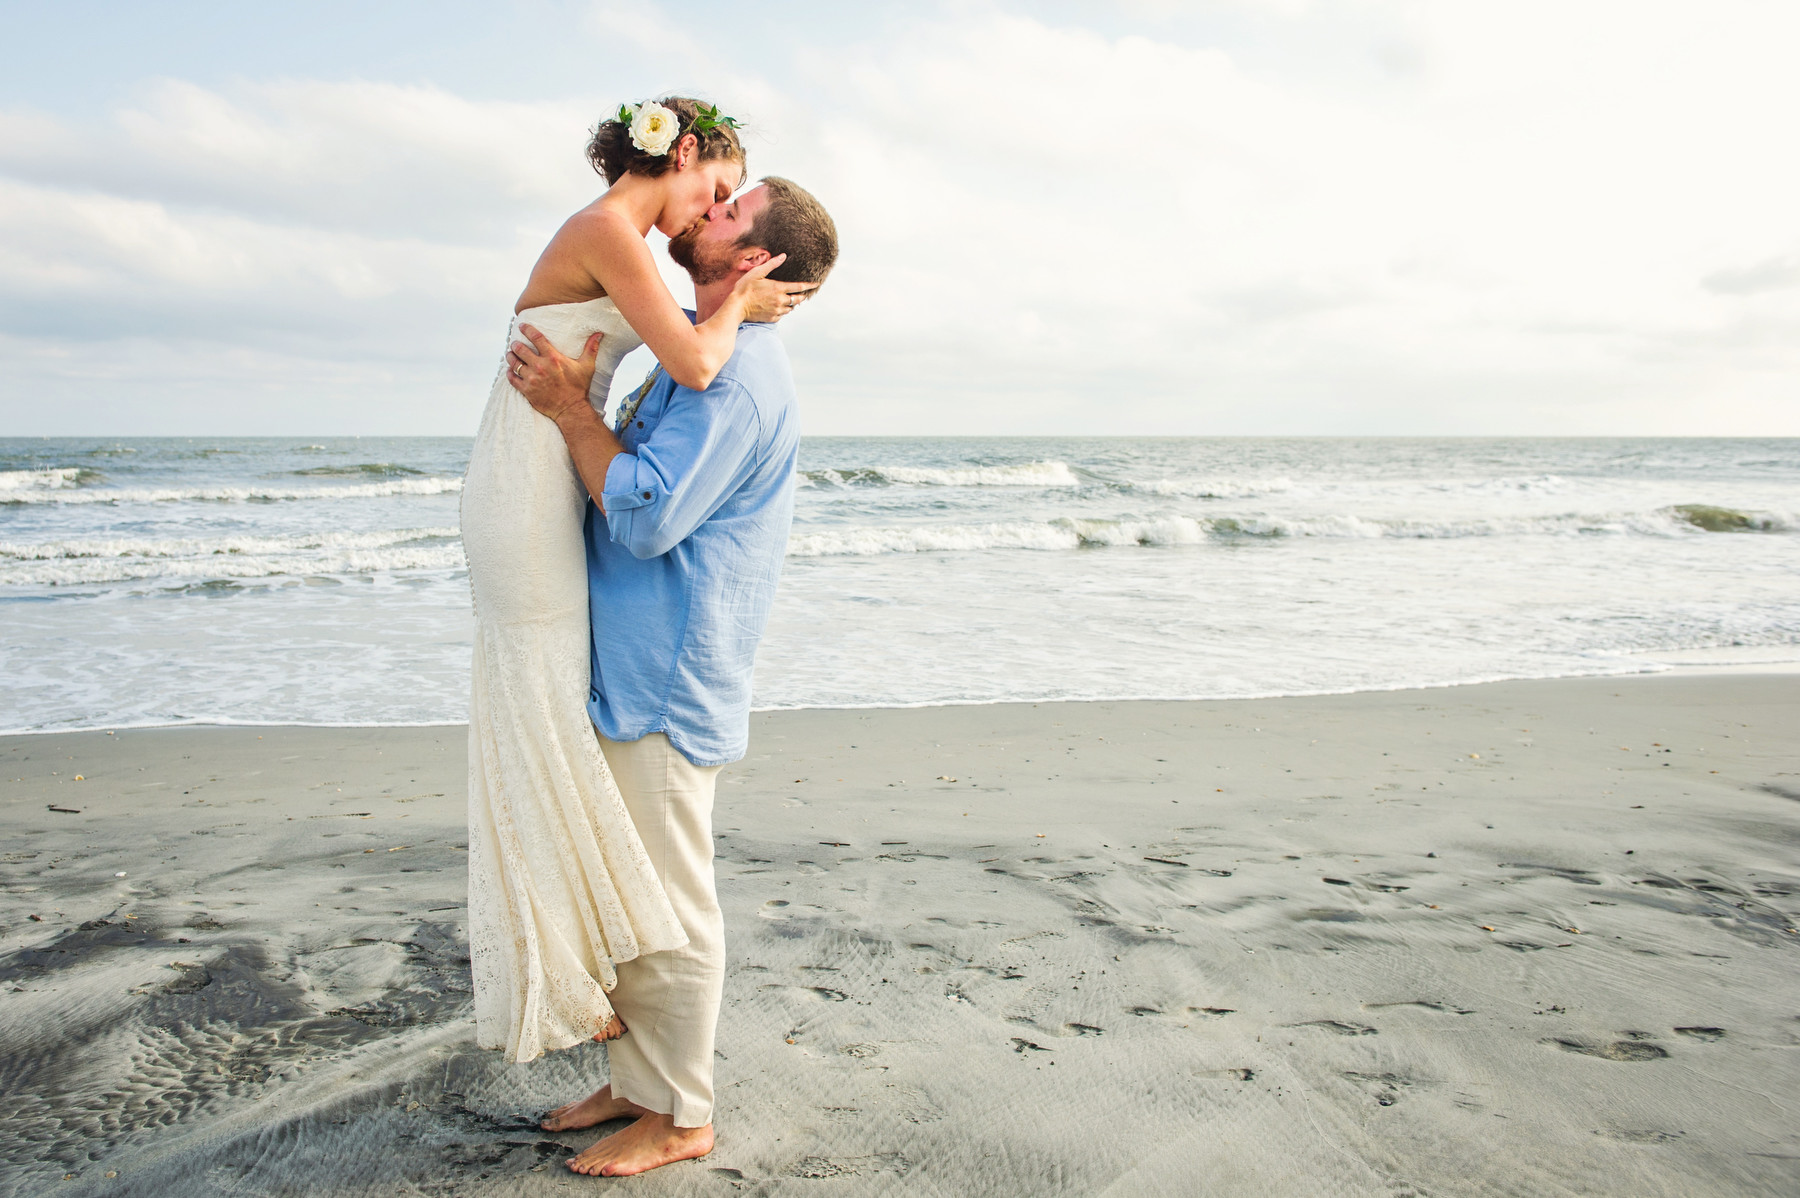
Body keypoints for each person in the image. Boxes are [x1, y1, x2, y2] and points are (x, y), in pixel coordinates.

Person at [459, 98, 814, 1067]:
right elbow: (698, 358)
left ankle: (578, 975)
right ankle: (570, 968)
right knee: (540, 716)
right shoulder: (607, 230)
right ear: (683, 152)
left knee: (547, 721)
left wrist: (737, 302)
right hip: (530, 477)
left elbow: (697, 381)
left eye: (731, 207)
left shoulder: (630, 249)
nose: (711, 209)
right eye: (717, 186)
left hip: (542, 465)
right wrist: (740, 301)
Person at [503, 175, 839, 1176]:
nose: (706, 211)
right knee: (628, 885)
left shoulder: (736, 378)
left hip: (668, 676)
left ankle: (684, 1113)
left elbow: (647, 513)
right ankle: (638, 1084)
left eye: (731, 212)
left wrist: (568, 407)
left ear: (757, 261)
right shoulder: (705, 353)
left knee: (673, 901)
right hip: (635, 664)